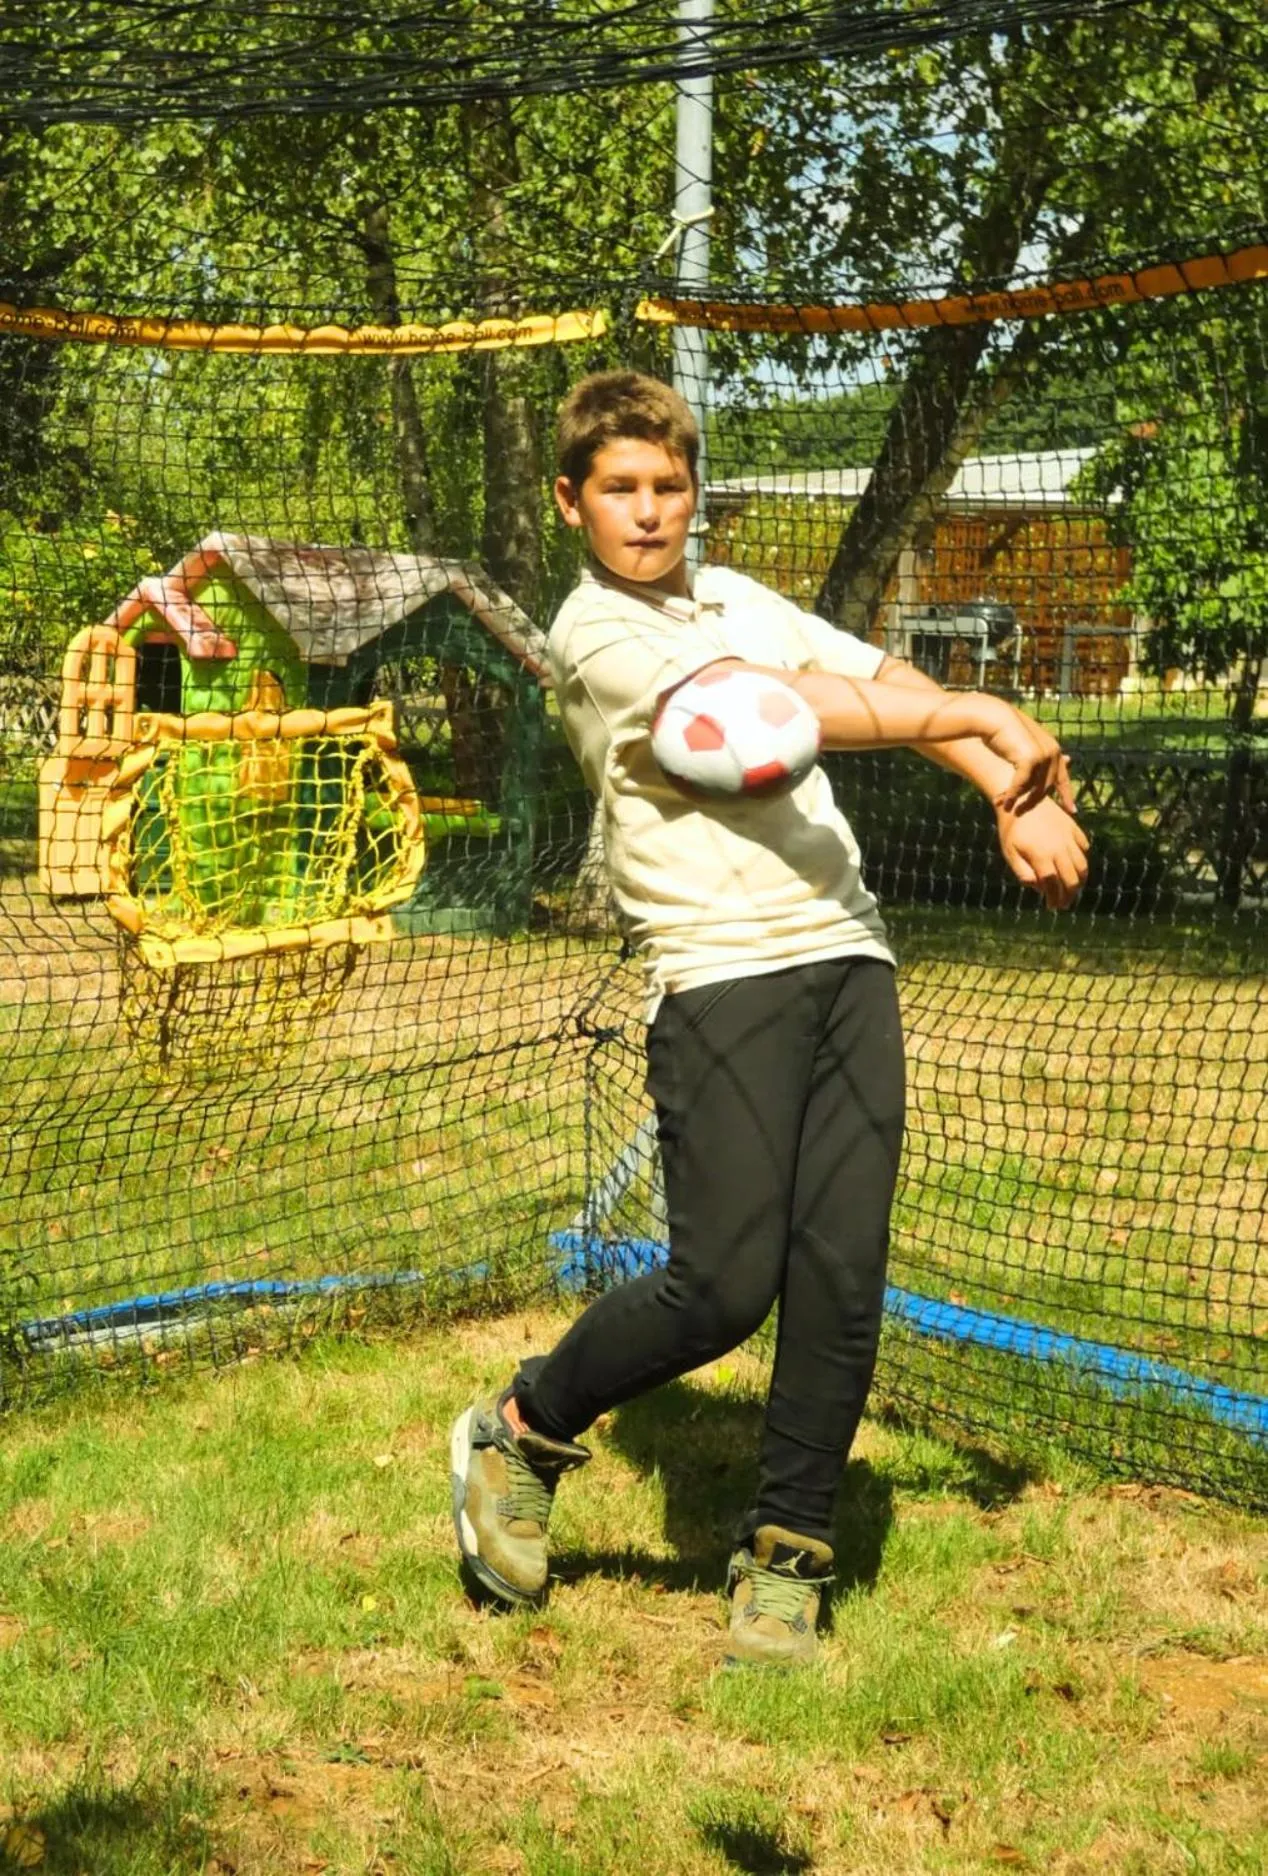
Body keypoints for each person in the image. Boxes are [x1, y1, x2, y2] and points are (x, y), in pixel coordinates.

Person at [450, 370, 1089, 1668]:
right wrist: (975, 711)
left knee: (842, 1275)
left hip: (846, 954)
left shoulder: (734, 596)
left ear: (696, 492)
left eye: (669, 486)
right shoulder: (596, 636)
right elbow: (771, 710)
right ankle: (522, 1428)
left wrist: (1003, 782)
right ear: (570, 501)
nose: (648, 511)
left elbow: (872, 675)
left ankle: (787, 1554)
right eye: (619, 489)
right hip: (718, 972)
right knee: (723, 1288)